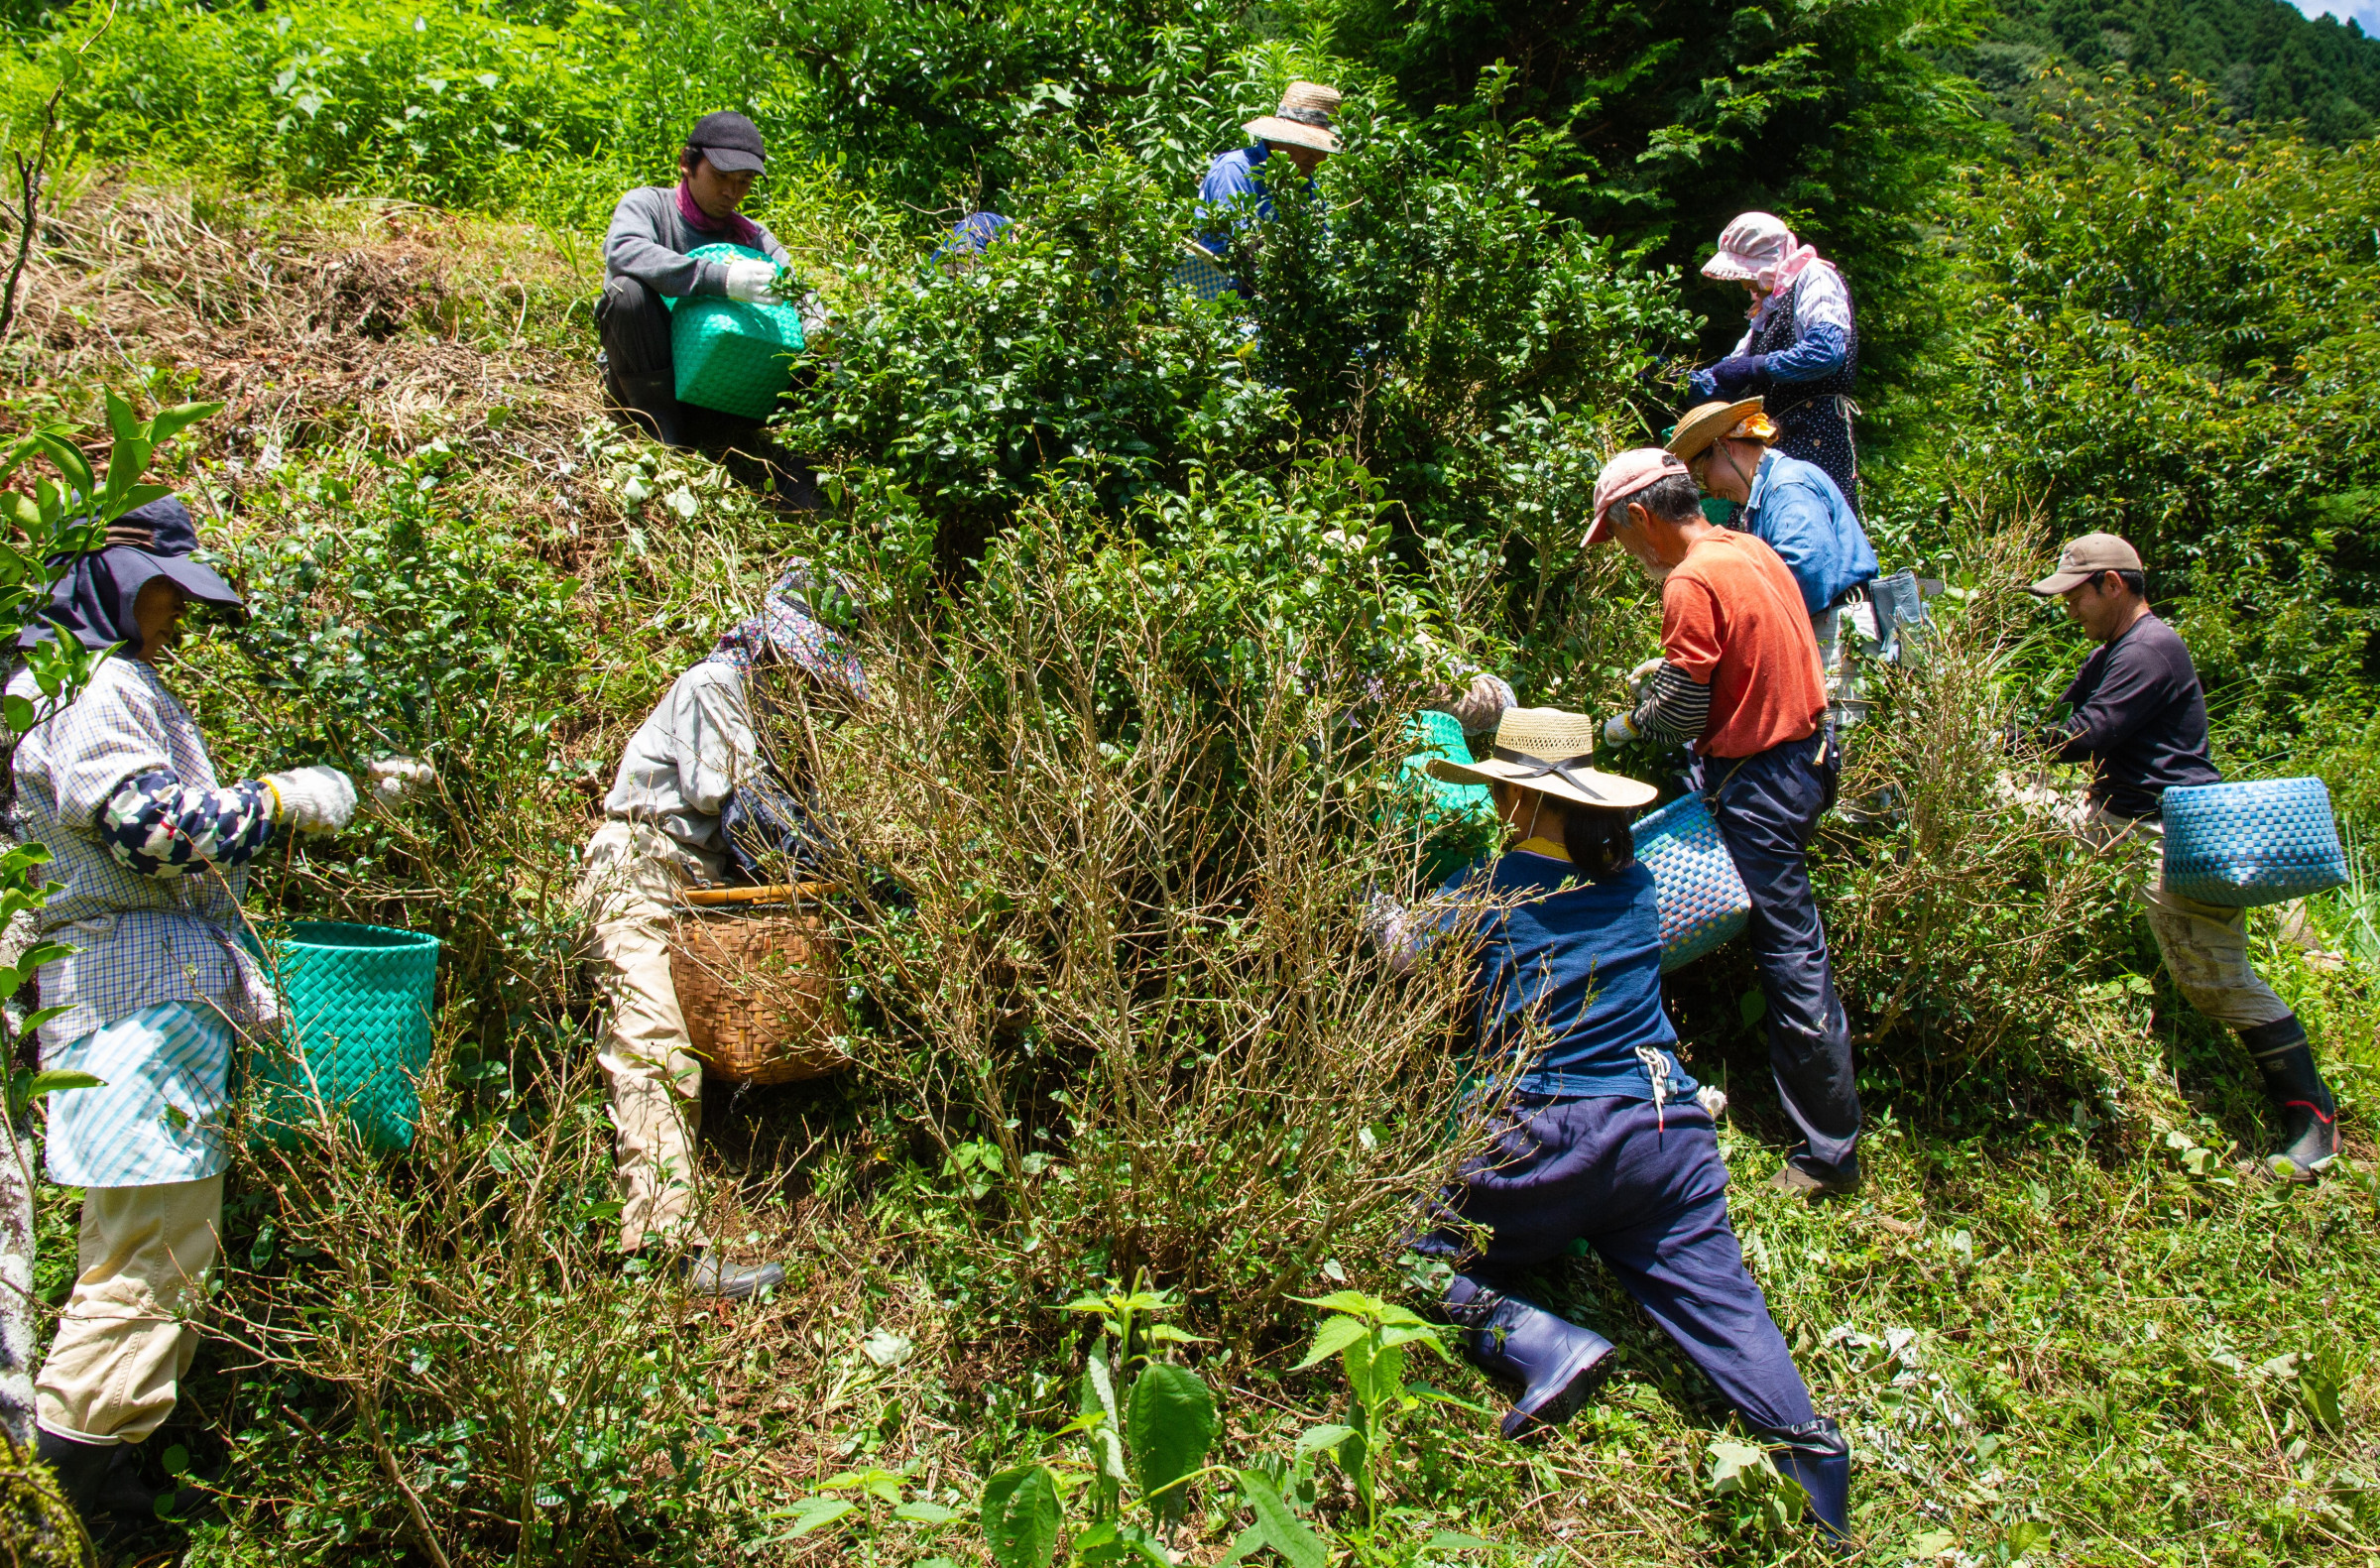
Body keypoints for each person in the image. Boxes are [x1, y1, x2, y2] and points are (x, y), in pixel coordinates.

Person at [7, 497, 422, 1543]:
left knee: (144, 1250)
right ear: (108, 583)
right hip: (133, 1007)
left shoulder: (77, 683)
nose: (177, 619)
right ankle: (80, 1508)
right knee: (150, 1262)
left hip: (120, 1005)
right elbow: (150, 828)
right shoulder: (90, 687)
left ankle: (102, 1487)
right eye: (165, 595)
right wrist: (287, 800)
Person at [1374, 706, 1849, 1541]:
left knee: (1394, 1249)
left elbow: (1401, 950)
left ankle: (1536, 1342)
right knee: (1723, 1299)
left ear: (1520, 801)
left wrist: (1371, 895)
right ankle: (1813, 1452)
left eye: (1501, 791)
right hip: (1664, 1135)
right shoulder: (1634, 884)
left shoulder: (1489, 890)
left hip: (1540, 1143)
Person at [577, 569, 863, 1294]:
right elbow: (747, 814)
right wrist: (853, 882)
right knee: (653, 1049)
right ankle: (664, 1252)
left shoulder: (765, 708)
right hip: (640, 871)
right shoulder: (715, 685)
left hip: (696, 892)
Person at [2025, 534, 2339, 1179]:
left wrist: (2019, 741)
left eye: (2075, 596)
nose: (2068, 609)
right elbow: (2060, 718)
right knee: (2018, 817)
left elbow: (2089, 733)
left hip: (2169, 838)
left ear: (2113, 584)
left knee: (2217, 986)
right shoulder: (2114, 649)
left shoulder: (2151, 649)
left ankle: (2314, 1121)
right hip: (2114, 820)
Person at [1590, 451, 1858, 1199]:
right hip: (1807, 760)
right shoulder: (1748, 547)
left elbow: (1681, 713)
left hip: (1762, 782)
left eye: (1622, 541)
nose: (1630, 560)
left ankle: (1829, 1156)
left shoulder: (1689, 579)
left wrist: (1621, 725)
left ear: (1640, 518)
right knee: (1787, 942)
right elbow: (1750, 650)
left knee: (1792, 954)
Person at [600, 111, 819, 469]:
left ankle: (747, 438)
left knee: (822, 358)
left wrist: (816, 322)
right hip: (652, 368)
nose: (731, 192)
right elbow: (625, 250)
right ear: (687, 163)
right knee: (627, 293)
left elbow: (798, 288)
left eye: (744, 181)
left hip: (720, 379)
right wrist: (722, 280)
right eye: (720, 177)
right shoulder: (649, 207)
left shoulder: (754, 237)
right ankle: (661, 427)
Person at [1669, 397, 1877, 674]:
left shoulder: (1786, 486)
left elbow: (1806, 575)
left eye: (1703, 478)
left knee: (1839, 720)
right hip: (1828, 627)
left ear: (1724, 448)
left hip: (1838, 634)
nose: (1713, 494)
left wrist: (1735, 631)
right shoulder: (1770, 490)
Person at [1688, 213, 1861, 511]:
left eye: (1746, 273)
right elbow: (1731, 371)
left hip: (1817, 437)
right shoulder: (1768, 310)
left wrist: (1754, 367)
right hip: (1780, 445)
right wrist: (1677, 379)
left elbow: (1825, 352)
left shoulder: (1815, 278)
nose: (1744, 284)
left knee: (1808, 520)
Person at [1193, 81, 1341, 261]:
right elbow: (1240, 255)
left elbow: (1325, 251)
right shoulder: (1236, 171)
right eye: (1308, 146)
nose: (1318, 157)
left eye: (1323, 149)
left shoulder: (1307, 185)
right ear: (1282, 138)